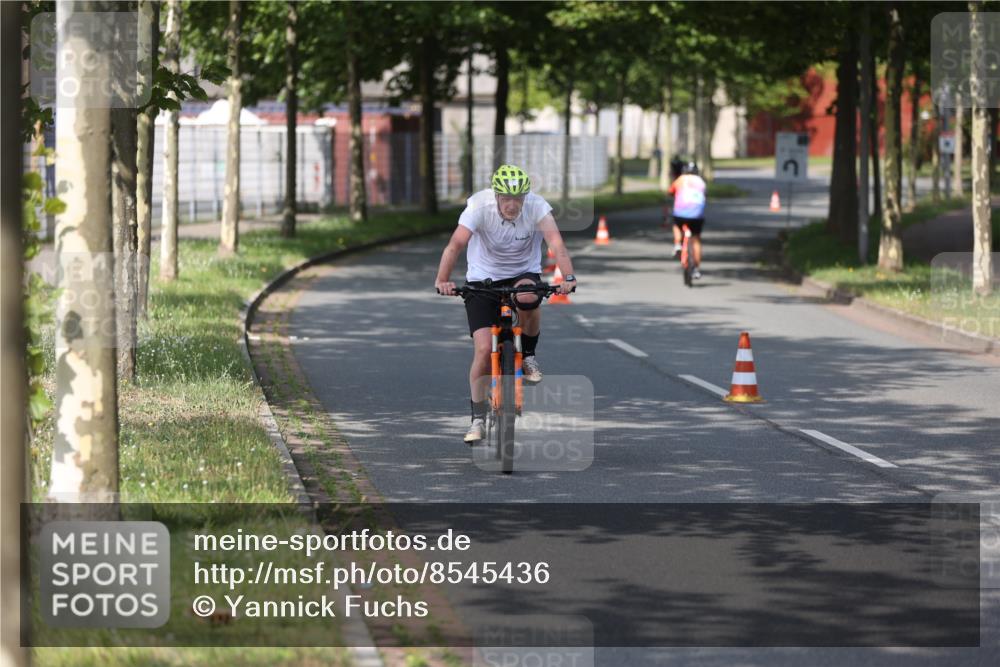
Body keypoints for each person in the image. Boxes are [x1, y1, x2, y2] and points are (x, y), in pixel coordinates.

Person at [435, 164, 577, 443]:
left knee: (529, 296)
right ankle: (477, 418)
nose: (512, 205)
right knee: (484, 349)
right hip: (482, 277)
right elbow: (454, 245)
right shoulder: (478, 207)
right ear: (496, 195)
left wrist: (568, 276)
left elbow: (556, 243)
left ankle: (529, 356)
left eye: (518, 199)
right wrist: (442, 279)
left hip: (523, 272)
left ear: (526, 197)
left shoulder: (537, 207)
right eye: (506, 198)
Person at [667, 161, 707, 280]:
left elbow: (670, 192)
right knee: (696, 240)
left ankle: (678, 244)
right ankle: (696, 269)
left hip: (681, 213)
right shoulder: (701, 182)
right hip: (697, 215)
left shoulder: (680, 179)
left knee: (676, 223)